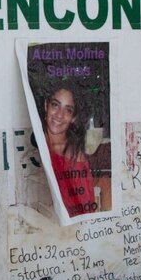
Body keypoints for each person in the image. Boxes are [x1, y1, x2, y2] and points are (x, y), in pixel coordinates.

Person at [41, 86, 96, 215]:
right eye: (55, 105)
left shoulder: (75, 158)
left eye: (68, 110)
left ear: (73, 118)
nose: (60, 115)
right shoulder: (35, 142)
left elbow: (84, 209)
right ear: (46, 106)